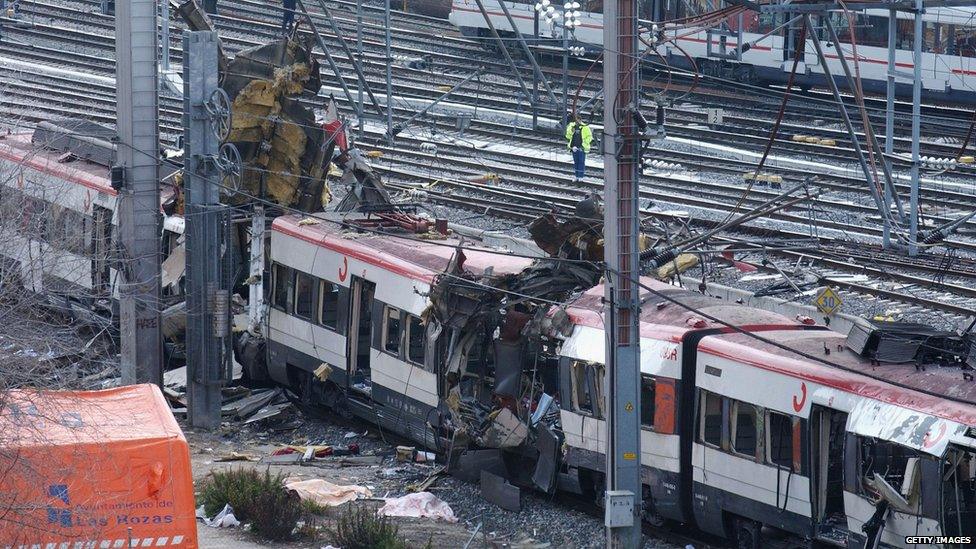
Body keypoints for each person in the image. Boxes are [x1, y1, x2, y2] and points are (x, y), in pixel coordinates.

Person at [565, 113, 592, 182]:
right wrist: (571, 131)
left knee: (581, 162)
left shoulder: (585, 127)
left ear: (580, 120)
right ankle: (577, 176)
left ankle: (581, 177)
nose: (577, 122)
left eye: (578, 120)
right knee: (576, 162)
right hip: (574, 148)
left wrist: (583, 144)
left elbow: (589, 137)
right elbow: (568, 136)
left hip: (582, 148)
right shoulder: (572, 126)